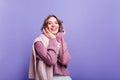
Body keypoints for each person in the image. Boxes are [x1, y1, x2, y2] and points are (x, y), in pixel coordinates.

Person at [28, 15, 72, 80]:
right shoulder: (39, 42)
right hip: (50, 78)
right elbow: (51, 61)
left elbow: (64, 61)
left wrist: (61, 38)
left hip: (65, 77)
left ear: (59, 26)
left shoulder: (60, 39)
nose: (53, 25)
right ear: (45, 27)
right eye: (50, 23)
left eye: (56, 23)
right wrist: (53, 39)